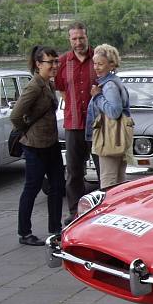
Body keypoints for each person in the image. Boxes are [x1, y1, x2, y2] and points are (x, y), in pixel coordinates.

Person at [12, 46, 64, 246]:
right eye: (50, 62)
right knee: (32, 188)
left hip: (51, 144)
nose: (54, 66)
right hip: (35, 147)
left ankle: (55, 229)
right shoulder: (34, 86)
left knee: (57, 186)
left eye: (56, 61)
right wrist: (26, 130)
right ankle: (25, 232)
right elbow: (15, 115)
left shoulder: (48, 84)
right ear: (38, 64)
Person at [55, 22, 96, 224]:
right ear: (69, 40)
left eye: (81, 38)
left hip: (97, 125)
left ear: (87, 37)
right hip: (73, 124)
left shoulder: (98, 58)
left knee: (103, 170)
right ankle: (75, 213)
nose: (78, 42)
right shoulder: (63, 62)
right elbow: (62, 89)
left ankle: (103, 211)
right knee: (73, 171)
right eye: (74, 39)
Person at [86, 44, 131, 188]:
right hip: (117, 137)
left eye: (100, 64)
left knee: (108, 181)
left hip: (109, 137)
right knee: (119, 180)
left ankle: (109, 204)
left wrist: (97, 96)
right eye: (95, 63)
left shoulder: (109, 85)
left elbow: (114, 112)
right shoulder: (114, 81)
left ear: (111, 65)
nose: (96, 67)